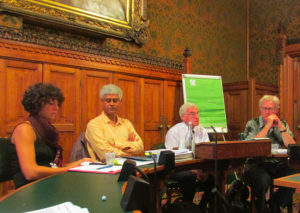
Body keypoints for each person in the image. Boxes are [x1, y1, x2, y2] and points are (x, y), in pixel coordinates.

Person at [10, 83, 94, 189]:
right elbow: (30, 172)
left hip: (46, 184)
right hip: (29, 189)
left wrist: (79, 163)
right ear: (37, 104)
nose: (56, 108)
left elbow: (50, 166)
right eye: (51, 104)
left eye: (58, 104)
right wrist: (69, 170)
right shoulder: (25, 129)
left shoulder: (45, 129)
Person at [243, 95, 296, 213]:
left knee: (293, 175)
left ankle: (275, 205)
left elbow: (292, 146)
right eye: (264, 108)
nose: (267, 112)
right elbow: (251, 146)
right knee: (263, 179)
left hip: (276, 163)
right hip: (255, 163)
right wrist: (267, 126)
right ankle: (260, 207)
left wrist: (282, 129)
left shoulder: (283, 124)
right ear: (260, 109)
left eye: (271, 109)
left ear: (277, 110)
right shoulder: (253, 124)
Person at [165, 102, 214, 212]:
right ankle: (187, 208)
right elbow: (173, 159)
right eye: (193, 114)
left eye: (197, 114)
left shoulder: (202, 131)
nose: (197, 117)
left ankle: (202, 207)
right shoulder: (174, 132)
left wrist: (202, 171)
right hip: (178, 168)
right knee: (189, 178)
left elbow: (207, 154)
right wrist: (194, 172)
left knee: (213, 176)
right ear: (183, 117)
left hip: (199, 168)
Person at [85, 84, 144, 161]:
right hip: (103, 168)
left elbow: (140, 146)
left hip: (125, 165)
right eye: (108, 100)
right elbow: (104, 155)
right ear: (101, 102)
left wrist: (115, 145)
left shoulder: (126, 123)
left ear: (120, 102)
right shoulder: (94, 124)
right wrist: (128, 148)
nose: (112, 104)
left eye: (115, 100)